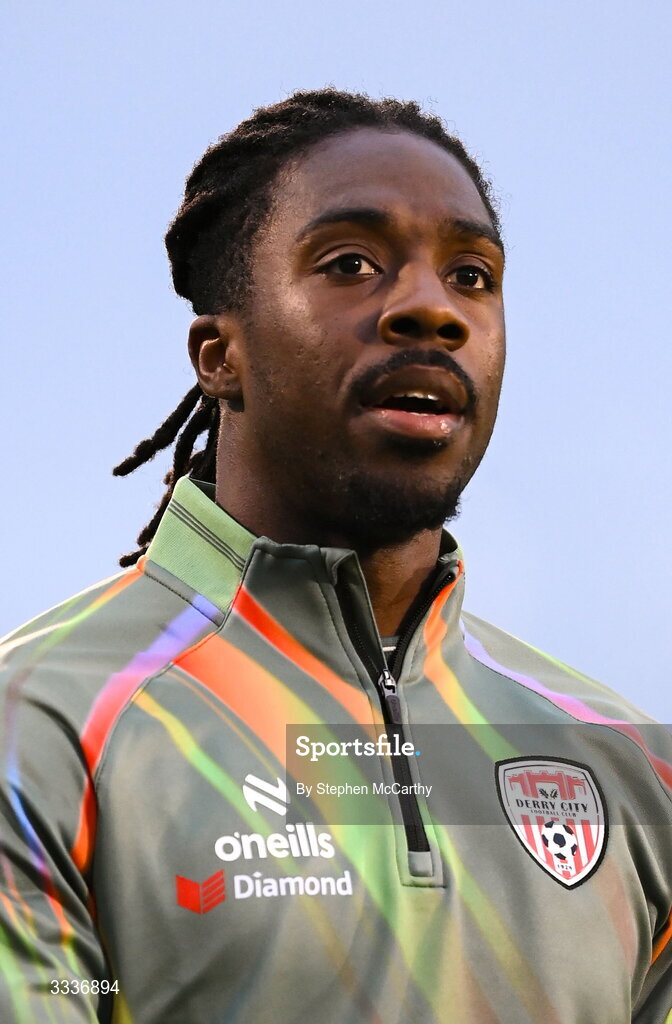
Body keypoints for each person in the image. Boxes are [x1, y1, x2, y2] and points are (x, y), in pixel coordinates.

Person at [0, 88, 670, 1024]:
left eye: (472, 275)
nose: (433, 310)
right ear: (217, 355)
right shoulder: (40, 729)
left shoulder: (633, 765)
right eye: (350, 263)